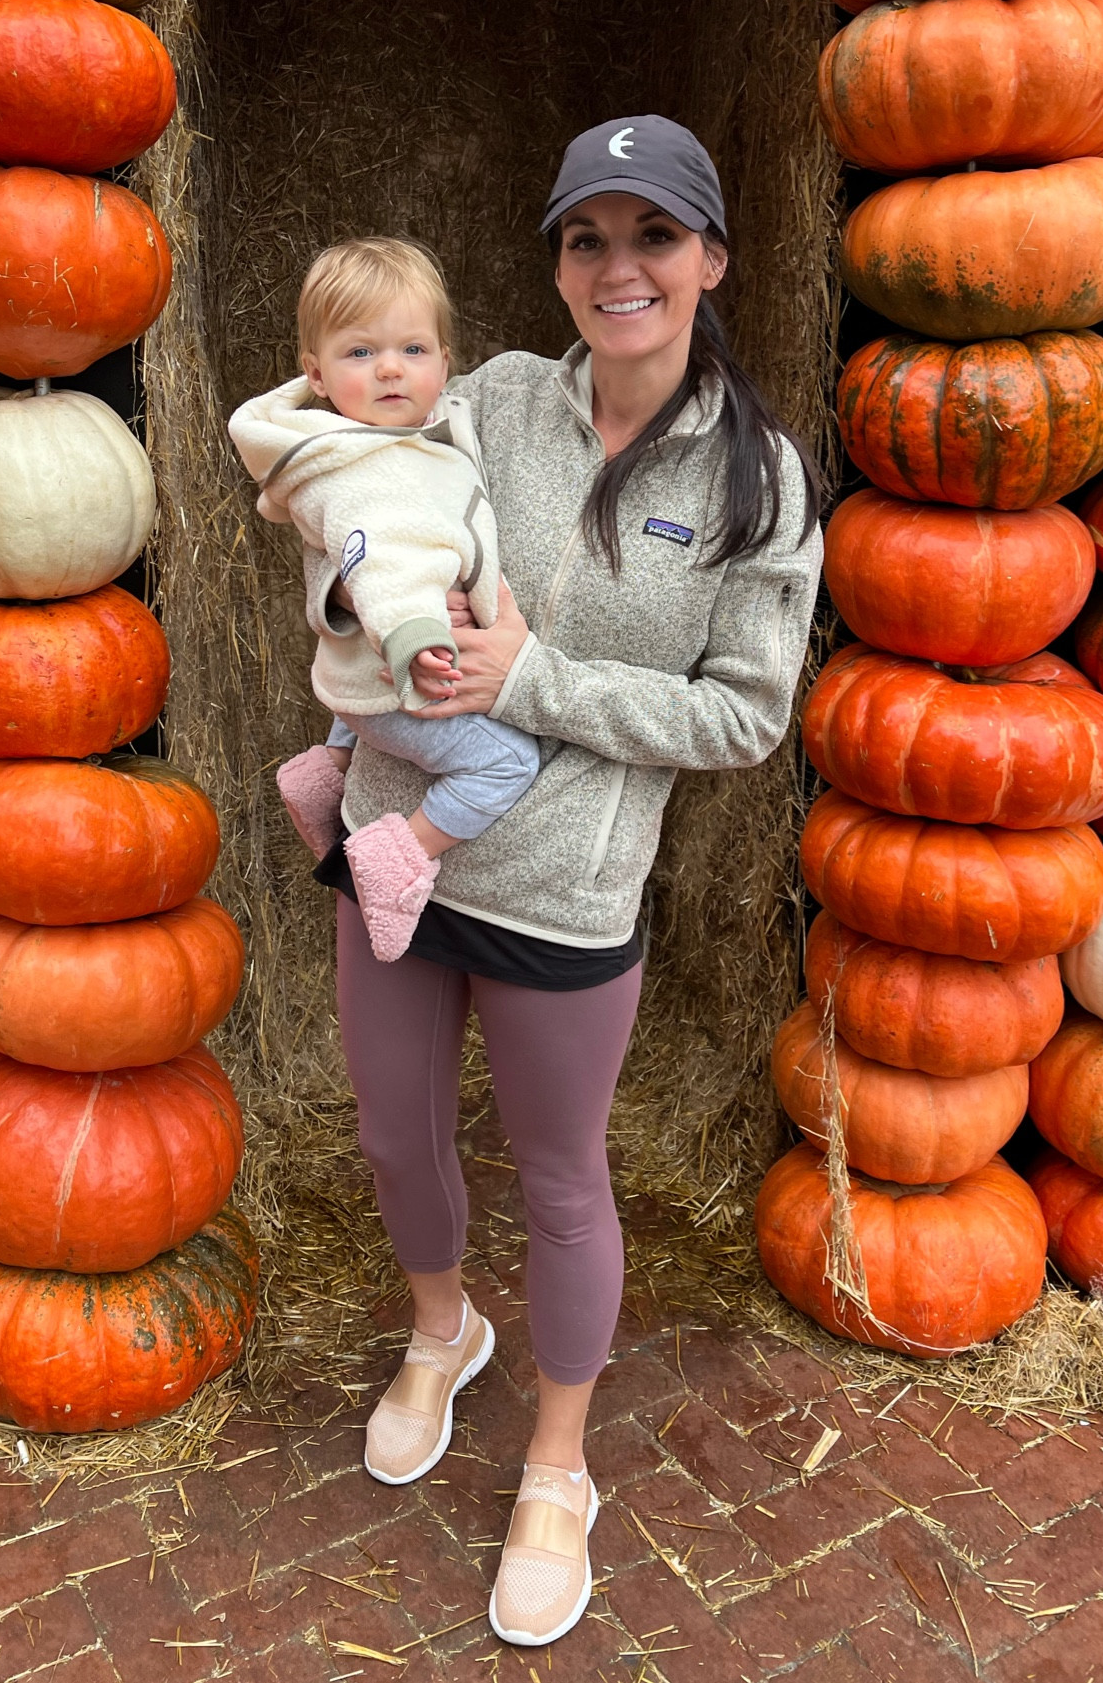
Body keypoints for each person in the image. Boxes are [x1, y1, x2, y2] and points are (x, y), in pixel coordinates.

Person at [318, 116, 822, 1649]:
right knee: (397, 1135)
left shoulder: (754, 476)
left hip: (566, 902)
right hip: (398, 846)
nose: (619, 269)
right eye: (586, 239)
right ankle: (439, 1329)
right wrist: (342, 582)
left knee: (562, 1185)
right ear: (555, 264)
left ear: (709, 259)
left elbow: (743, 715)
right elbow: (360, 489)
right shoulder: (480, 404)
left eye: (651, 237)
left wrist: (539, 680)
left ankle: (555, 1466)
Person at [229, 238, 541, 961]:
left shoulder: (363, 443)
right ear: (316, 374)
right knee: (507, 762)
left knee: (358, 705)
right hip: (397, 678)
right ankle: (401, 854)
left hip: (351, 687)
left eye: (412, 348)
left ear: (445, 360)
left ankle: (324, 774)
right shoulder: (373, 472)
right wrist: (413, 637)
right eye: (361, 353)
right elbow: (386, 558)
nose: (392, 368)